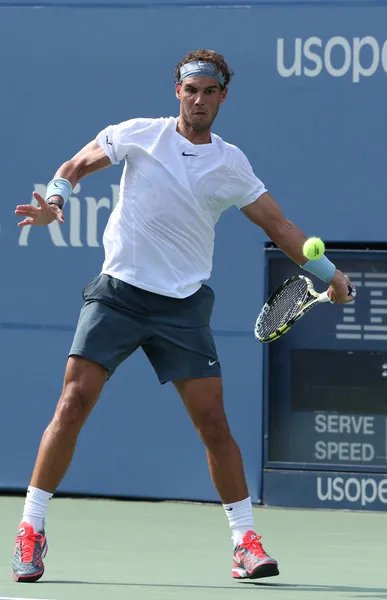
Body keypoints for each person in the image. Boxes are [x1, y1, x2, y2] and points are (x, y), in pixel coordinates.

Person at [12, 49, 355, 584]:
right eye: (190, 89)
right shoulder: (138, 135)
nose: (198, 99)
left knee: (214, 425)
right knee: (73, 402)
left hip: (183, 308)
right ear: (177, 90)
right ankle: (31, 529)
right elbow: (74, 167)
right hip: (118, 295)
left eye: (209, 92)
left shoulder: (230, 163)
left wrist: (329, 274)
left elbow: (282, 227)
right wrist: (55, 199)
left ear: (223, 96)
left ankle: (245, 542)